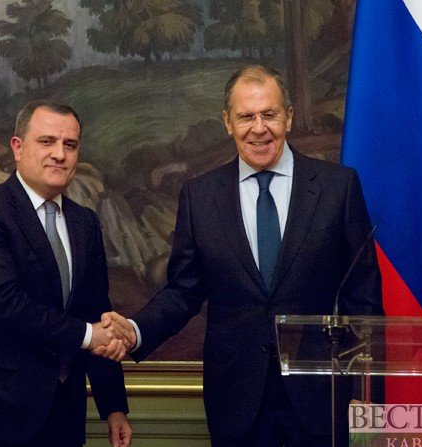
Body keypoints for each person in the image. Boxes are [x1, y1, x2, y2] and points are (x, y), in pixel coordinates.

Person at [102, 66, 383, 446]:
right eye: (246, 117)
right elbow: (183, 291)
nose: (259, 128)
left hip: (322, 398)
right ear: (227, 122)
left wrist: (369, 394)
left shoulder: (338, 187)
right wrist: (135, 331)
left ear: (288, 117)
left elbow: (363, 300)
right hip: (237, 401)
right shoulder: (200, 196)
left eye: (269, 114)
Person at [0, 99, 132, 447]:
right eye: (47, 141)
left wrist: (113, 405)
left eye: (70, 145)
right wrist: (89, 335)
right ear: (17, 147)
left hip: (63, 416)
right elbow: (2, 301)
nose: (59, 154)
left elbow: (96, 310)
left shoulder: (85, 222)